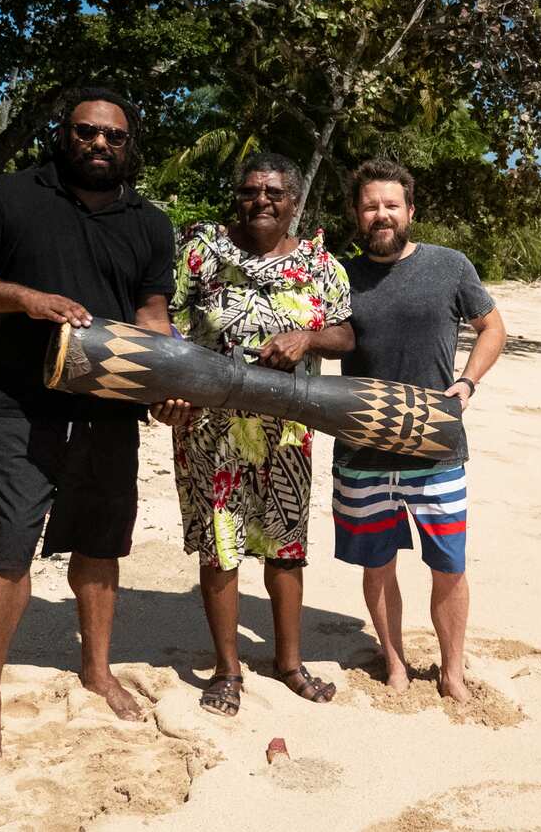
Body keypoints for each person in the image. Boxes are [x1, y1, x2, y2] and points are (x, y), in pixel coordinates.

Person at [0, 87, 176, 757]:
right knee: (11, 542)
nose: (99, 143)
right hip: (21, 400)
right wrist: (24, 298)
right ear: (63, 133)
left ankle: (96, 668)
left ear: (130, 146)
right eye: (86, 131)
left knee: (101, 543)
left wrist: (169, 376)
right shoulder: (9, 196)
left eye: (114, 136)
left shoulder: (150, 223)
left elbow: (153, 312)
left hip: (109, 409)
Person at [154, 152, 354, 716]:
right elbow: (162, 320)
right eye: (250, 191)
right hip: (208, 427)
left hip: (288, 429)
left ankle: (289, 663)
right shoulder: (202, 253)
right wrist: (162, 388)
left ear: (295, 202)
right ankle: (226, 670)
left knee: (286, 546)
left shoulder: (321, 265)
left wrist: (307, 339)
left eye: (274, 193)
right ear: (237, 196)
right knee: (221, 546)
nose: (261, 201)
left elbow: (346, 333)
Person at [333, 158, 506, 703]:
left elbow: (492, 327)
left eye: (390, 204)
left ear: (410, 211)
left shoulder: (450, 265)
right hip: (360, 448)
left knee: (448, 566)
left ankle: (452, 671)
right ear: (357, 215)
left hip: (436, 447)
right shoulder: (338, 277)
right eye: (369, 206)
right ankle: (395, 662)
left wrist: (468, 382)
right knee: (377, 564)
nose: (380, 214)